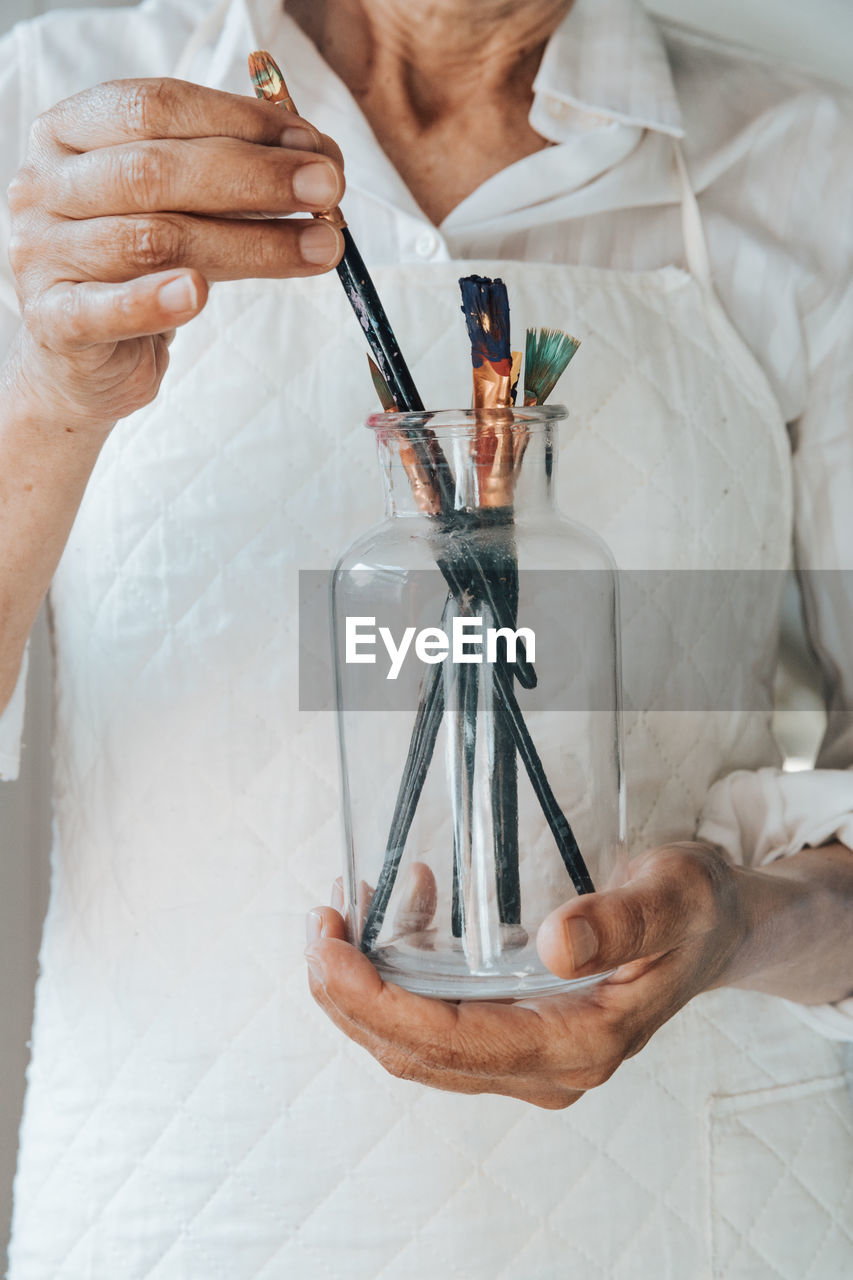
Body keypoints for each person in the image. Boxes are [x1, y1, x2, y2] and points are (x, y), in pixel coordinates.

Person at [1, 0, 852, 1275]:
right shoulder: (52, 119)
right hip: (181, 1204)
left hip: (690, 1214)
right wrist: (51, 401)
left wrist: (743, 919)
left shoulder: (805, 161)